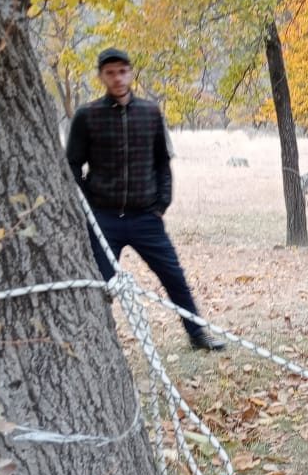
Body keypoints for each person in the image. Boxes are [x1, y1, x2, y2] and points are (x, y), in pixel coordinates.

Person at [66, 47, 224, 350]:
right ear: (101, 76)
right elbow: (72, 164)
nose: (117, 78)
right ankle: (99, 344)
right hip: (104, 219)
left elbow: (163, 162)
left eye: (122, 71)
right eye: (110, 72)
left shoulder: (150, 113)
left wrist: (160, 204)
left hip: (145, 218)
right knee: (102, 286)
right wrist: (88, 207)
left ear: (131, 72)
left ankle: (197, 335)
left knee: (173, 276)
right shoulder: (87, 116)